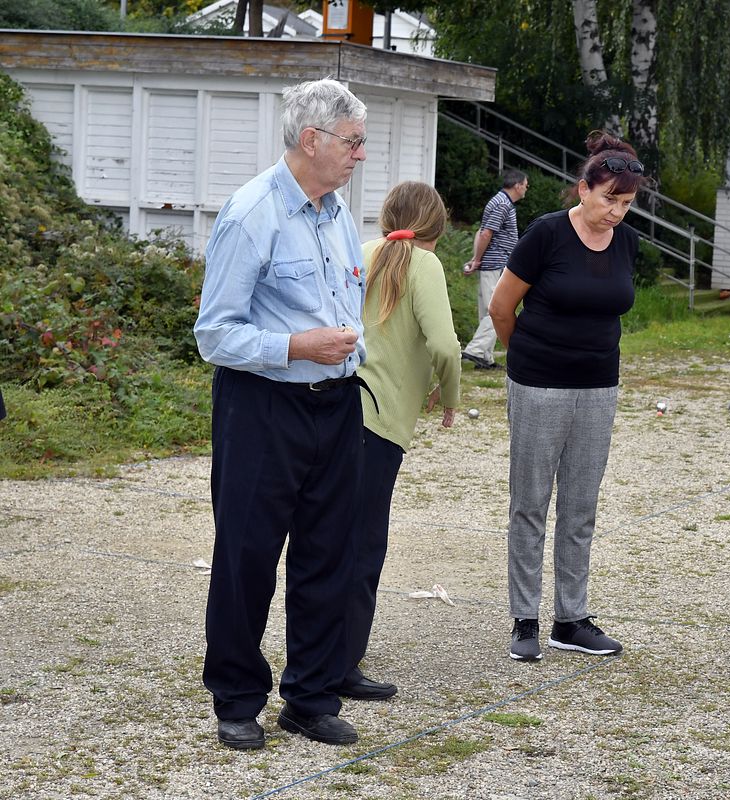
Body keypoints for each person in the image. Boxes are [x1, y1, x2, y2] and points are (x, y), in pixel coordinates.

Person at [193, 79, 369, 751]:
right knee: (247, 554)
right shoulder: (251, 214)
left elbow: (347, 308)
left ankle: (311, 696)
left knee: (330, 554)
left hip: (338, 403)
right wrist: (295, 346)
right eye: (352, 142)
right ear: (311, 140)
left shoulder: (338, 214)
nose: (359, 155)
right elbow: (215, 335)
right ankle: (237, 698)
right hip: (263, 405)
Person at [488, 132, 642, 662]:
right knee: (530, 503)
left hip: (599, 386)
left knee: (580, 507)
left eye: (626, 203)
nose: (616, 213)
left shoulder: (626, 242)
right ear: (583, 188)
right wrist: (527, 361)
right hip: (539, 384)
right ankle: (525, 619)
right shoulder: (546, 234)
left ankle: (571, 619)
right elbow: (501, 308)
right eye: (608, 200)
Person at [345, 182, 462, 697]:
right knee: (366, 543)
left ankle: (319, 654)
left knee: (329, 538)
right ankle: (344, 662)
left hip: (337, 407)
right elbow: (445, 344)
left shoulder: (362, 250)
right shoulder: (426, 264)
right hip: (382, 419)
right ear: (436, 225)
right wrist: (450, 394)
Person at [461, 169, 528, 370]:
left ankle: (485, 358)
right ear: (517, 185)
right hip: (496, 263)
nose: (526, 188)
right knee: (497, 309)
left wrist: (477, 259)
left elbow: (483, 232)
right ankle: (475, 350)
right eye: (525, 184)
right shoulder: (502, 204)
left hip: (492, 263)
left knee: (487, 311)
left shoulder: (500, 201)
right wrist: (477, 260)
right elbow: (486, 233)